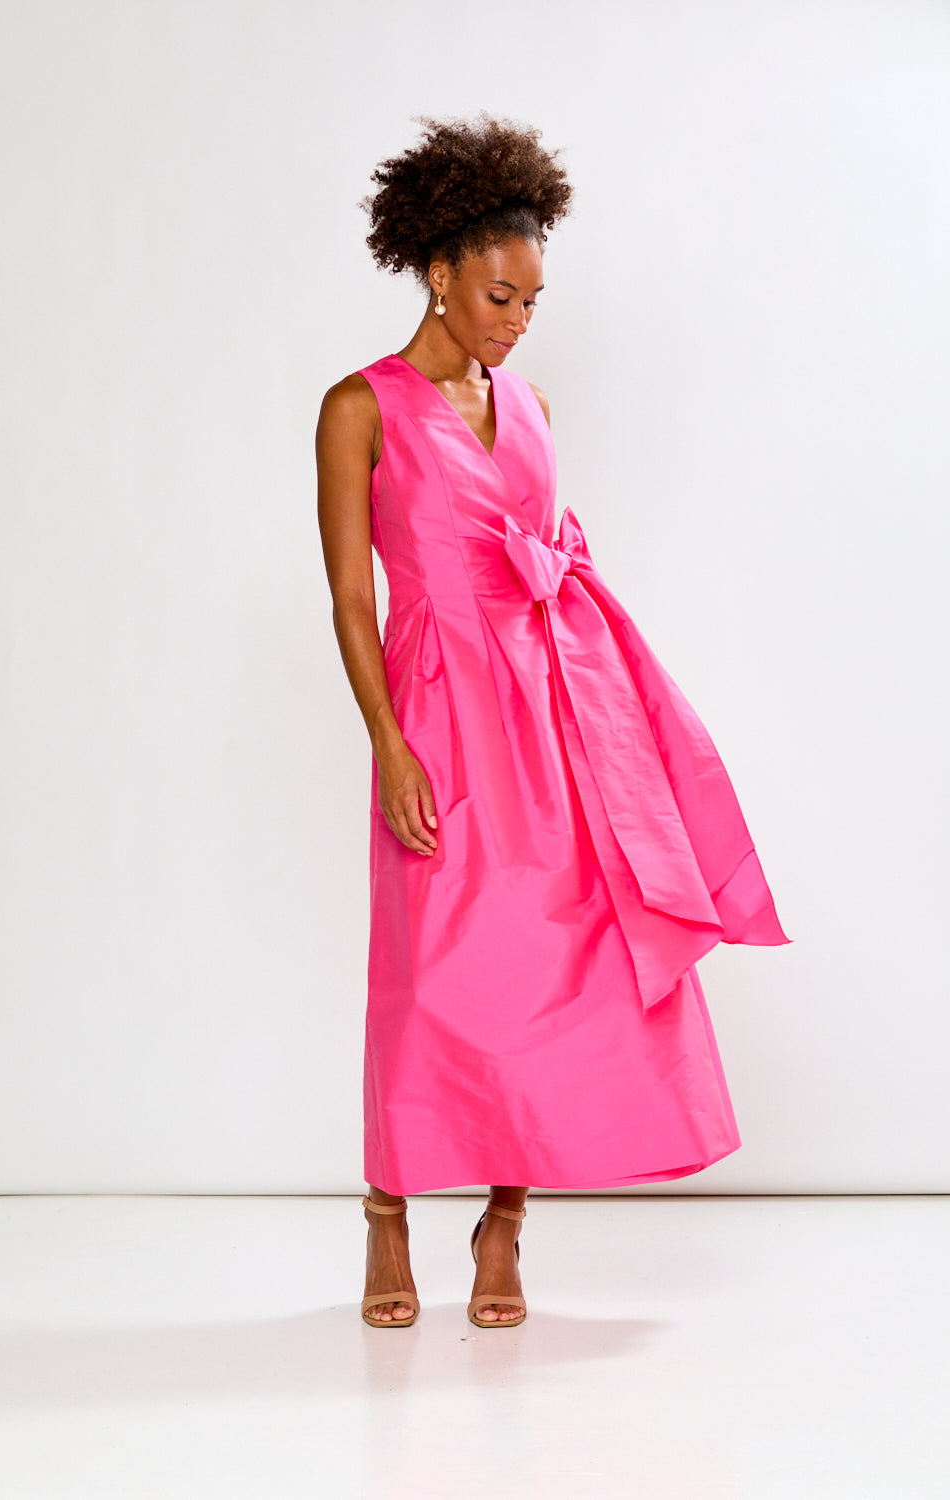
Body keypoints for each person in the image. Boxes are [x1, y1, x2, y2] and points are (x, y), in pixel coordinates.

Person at [315, 112, 790, 1331]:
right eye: (497, 294)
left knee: (558, 964)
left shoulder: (526, 407)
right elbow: (352, 600)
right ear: (437, 270)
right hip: (434, 718)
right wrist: (387, 744)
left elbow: (544, 563)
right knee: (424, 976)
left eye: (531, 301)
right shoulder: (358, 408)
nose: (516, 321)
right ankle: (386, 1214)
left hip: (548, 711)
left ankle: (505, 1219)